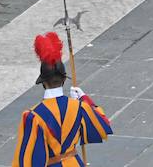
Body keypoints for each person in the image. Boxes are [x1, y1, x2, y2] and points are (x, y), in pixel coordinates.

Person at [13, 33, 112, 167]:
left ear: (43, 82)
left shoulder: (33, 116)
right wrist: (84, 98)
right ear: (64, 80)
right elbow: (103, 126)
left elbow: (27, 160)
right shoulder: (79, 107)